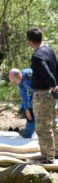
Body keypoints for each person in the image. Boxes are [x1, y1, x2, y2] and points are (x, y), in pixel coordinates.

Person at [27, 28, 58, 164]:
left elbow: (46, 72)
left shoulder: (37, 56)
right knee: (53, 124)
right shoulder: (49, 50)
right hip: (51, 94)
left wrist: (53, 84)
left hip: (42, 95)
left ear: (30, 41)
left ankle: (48, 157)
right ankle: (55, 151)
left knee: (42, 127)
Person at [9, 68, 35, 138]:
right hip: (33, 93)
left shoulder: (30, 74)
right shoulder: (20, 83)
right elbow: (25, 95)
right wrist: (27, 108)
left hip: (46, 91)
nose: (14, 83)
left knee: (33, 112)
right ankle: (27, 134)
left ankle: (28, 134)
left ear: (19, 76)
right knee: (27, 110)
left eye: (14, 81)